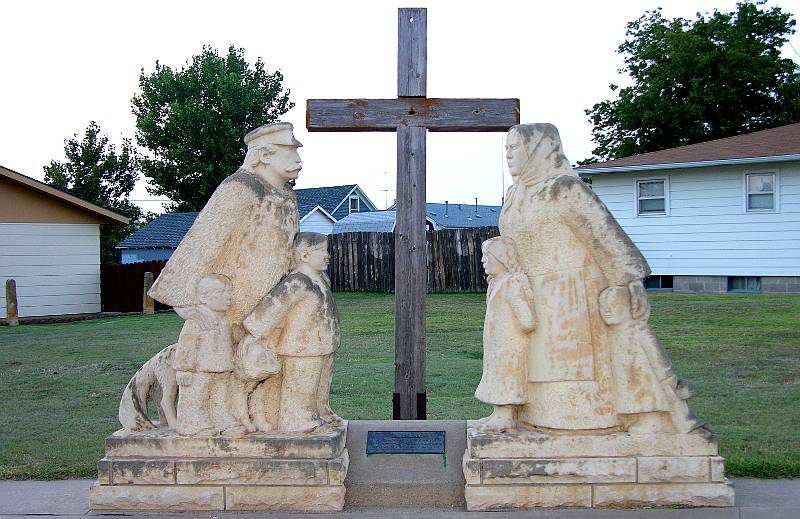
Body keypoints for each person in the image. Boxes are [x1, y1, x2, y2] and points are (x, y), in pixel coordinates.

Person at [498, 123, 701, 434]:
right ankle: (535, 418)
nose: (508, 154)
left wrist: (629, 284)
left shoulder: (565, 189)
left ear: (539, 149)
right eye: (507, 148)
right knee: (537, 372)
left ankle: (613, 423)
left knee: (579, 373)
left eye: (515, 147)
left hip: (575, 296)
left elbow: (608, 239)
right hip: (533, 298)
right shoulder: (514, 196)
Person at [148, 122, 302, 341]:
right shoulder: (240, 187)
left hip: (269, 308)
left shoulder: (288, 196)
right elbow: (202, 241)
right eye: (290, 152)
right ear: (265, 155)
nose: (298, 159)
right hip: (234, 308)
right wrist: (184, 302)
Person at [241, 232, 342, 433]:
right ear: (304, 256)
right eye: (321, 251)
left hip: (322, 344)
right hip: (301, 347)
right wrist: (255, 334)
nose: (327, 255)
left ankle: (321, 412)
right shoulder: (297, 281)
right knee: (301, 386)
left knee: (320, 384)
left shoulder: (321, 279)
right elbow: (271, 308)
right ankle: (299, 422)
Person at [474, 236, 535, 432]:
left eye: (487, 256)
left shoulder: (511, 283)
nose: (483, 260)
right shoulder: (496, 282)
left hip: (509, 343)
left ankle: (507, 416)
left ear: (501, 258)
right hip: (496, 343)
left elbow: (527, 320)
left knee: (507, 375)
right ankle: (498, 412)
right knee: (495, 374)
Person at [172, 274, 243, 435]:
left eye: (229, 293)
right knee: (196, 396)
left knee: (220, 397)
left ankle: (223, 422)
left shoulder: (225, 320)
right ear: (203, 297)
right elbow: (186, 345)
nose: (228, 297)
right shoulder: (196, 321)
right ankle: (193, 424)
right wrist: (184, 369)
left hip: (223, 367)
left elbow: (231, 340)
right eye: (222, 293)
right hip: (201, 370)